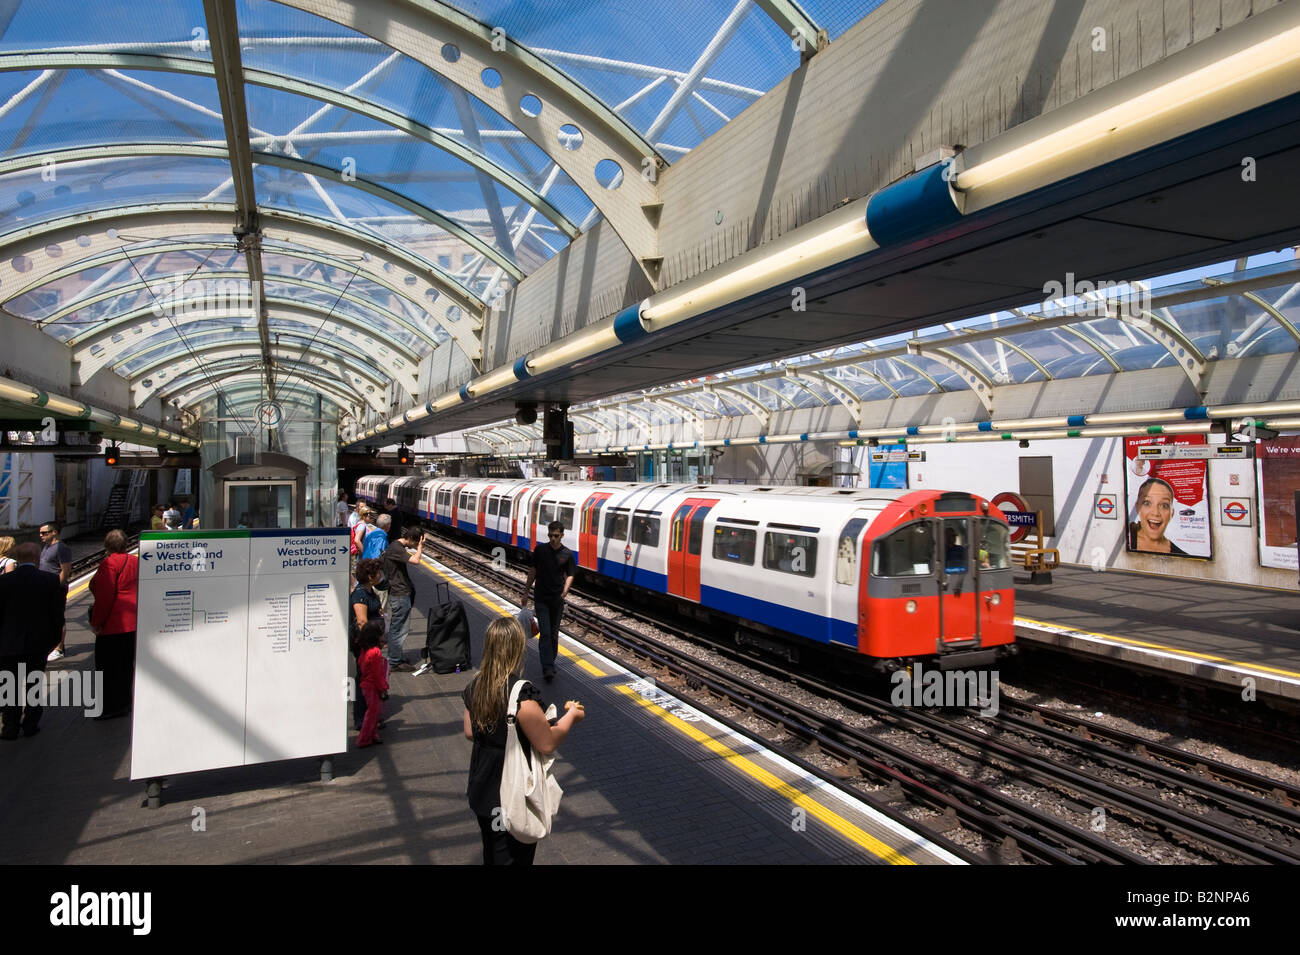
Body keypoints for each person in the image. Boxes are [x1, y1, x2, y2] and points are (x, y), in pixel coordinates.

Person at [461, 616, 585, 864]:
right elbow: (546, 742)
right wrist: (571, 716)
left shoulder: (476, 685)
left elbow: (470, 731)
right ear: (517, 648)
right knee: (513, 857)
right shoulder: (520, 694)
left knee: (493, 852)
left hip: (482, 787)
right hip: (509, 791)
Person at [0, 542, 66, 739]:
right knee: (33, 685)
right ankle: (30, 725)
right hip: (38, 644)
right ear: (37, 558)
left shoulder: (3, 582)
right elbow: (57, 615)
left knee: (8, 687)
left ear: (17, 559)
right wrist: (54, 641)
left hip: (8, 644)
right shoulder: (50, 580)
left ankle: (9, 728)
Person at [88, 529, 139, 719]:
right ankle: (125, 702)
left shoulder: (109, 564)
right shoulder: (136, 562)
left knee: (108, 668)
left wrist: (97, 622)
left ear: (107, 545)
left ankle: (110, 706)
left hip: (114, 623)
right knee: (126, 666)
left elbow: (104, 596)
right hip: (133, 622)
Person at [523, 520, 576, 682]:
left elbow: (571, 574)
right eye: (550, 535)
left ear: (562, 535)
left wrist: (565, 592)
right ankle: (547, 667)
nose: (553, 538)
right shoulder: (540, 550)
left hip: (557, 599)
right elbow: (533, 571)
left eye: (556, 536)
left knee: (553, 633)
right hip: (541, 597)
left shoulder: (567, 554)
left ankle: (550, 661)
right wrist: (526, 592)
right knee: (545, 633)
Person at [381, 526, 425, 671]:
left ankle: (396, 657)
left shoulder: (395, 546)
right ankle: (394, 661)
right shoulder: (397, 548)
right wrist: (420, 547)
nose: (414, 546)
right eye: (415, 542)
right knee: (399, 629)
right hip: (399, 594)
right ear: (412, 539)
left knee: (398, 627)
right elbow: (415, 560)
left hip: (399, 592)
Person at [349, 558, 384, 730]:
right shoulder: (360, 595)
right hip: (364, 644)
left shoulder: (369, 591)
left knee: (371, 677)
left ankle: (371, 715)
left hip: (372, 643)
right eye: (377, 572)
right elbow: (362, 621)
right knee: (364, 678)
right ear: (370, 576)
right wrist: (372, 643)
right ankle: (360, 718)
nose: (380, 575)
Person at [1128, 476, 1188, 555]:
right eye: (1147, 503)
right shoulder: (1123, 539)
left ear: (1172, 513)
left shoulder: (1181, 555)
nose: (1156, 513)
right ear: (1137, 507)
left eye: (1164, 505)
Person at [39, 521, 72, 662]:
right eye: (40, 533)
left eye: (44, 533)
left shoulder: (61, 548)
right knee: (48, 617)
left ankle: (59, 648)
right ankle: (51, 645)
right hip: (45, 588)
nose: (41, 535)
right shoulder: (46, 547)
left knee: (58, 617)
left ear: (54, 532)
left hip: (55, 589)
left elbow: (65, 571)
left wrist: (55, 586)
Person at [355, 620, 388, 748]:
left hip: (366, 685)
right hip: (373, 687)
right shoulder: (375, 653)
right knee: (372, 713)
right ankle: (364, 739)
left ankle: (373, 734)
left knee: (373, 712)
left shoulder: (364, 649)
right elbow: (377, 674)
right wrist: (383, 687)